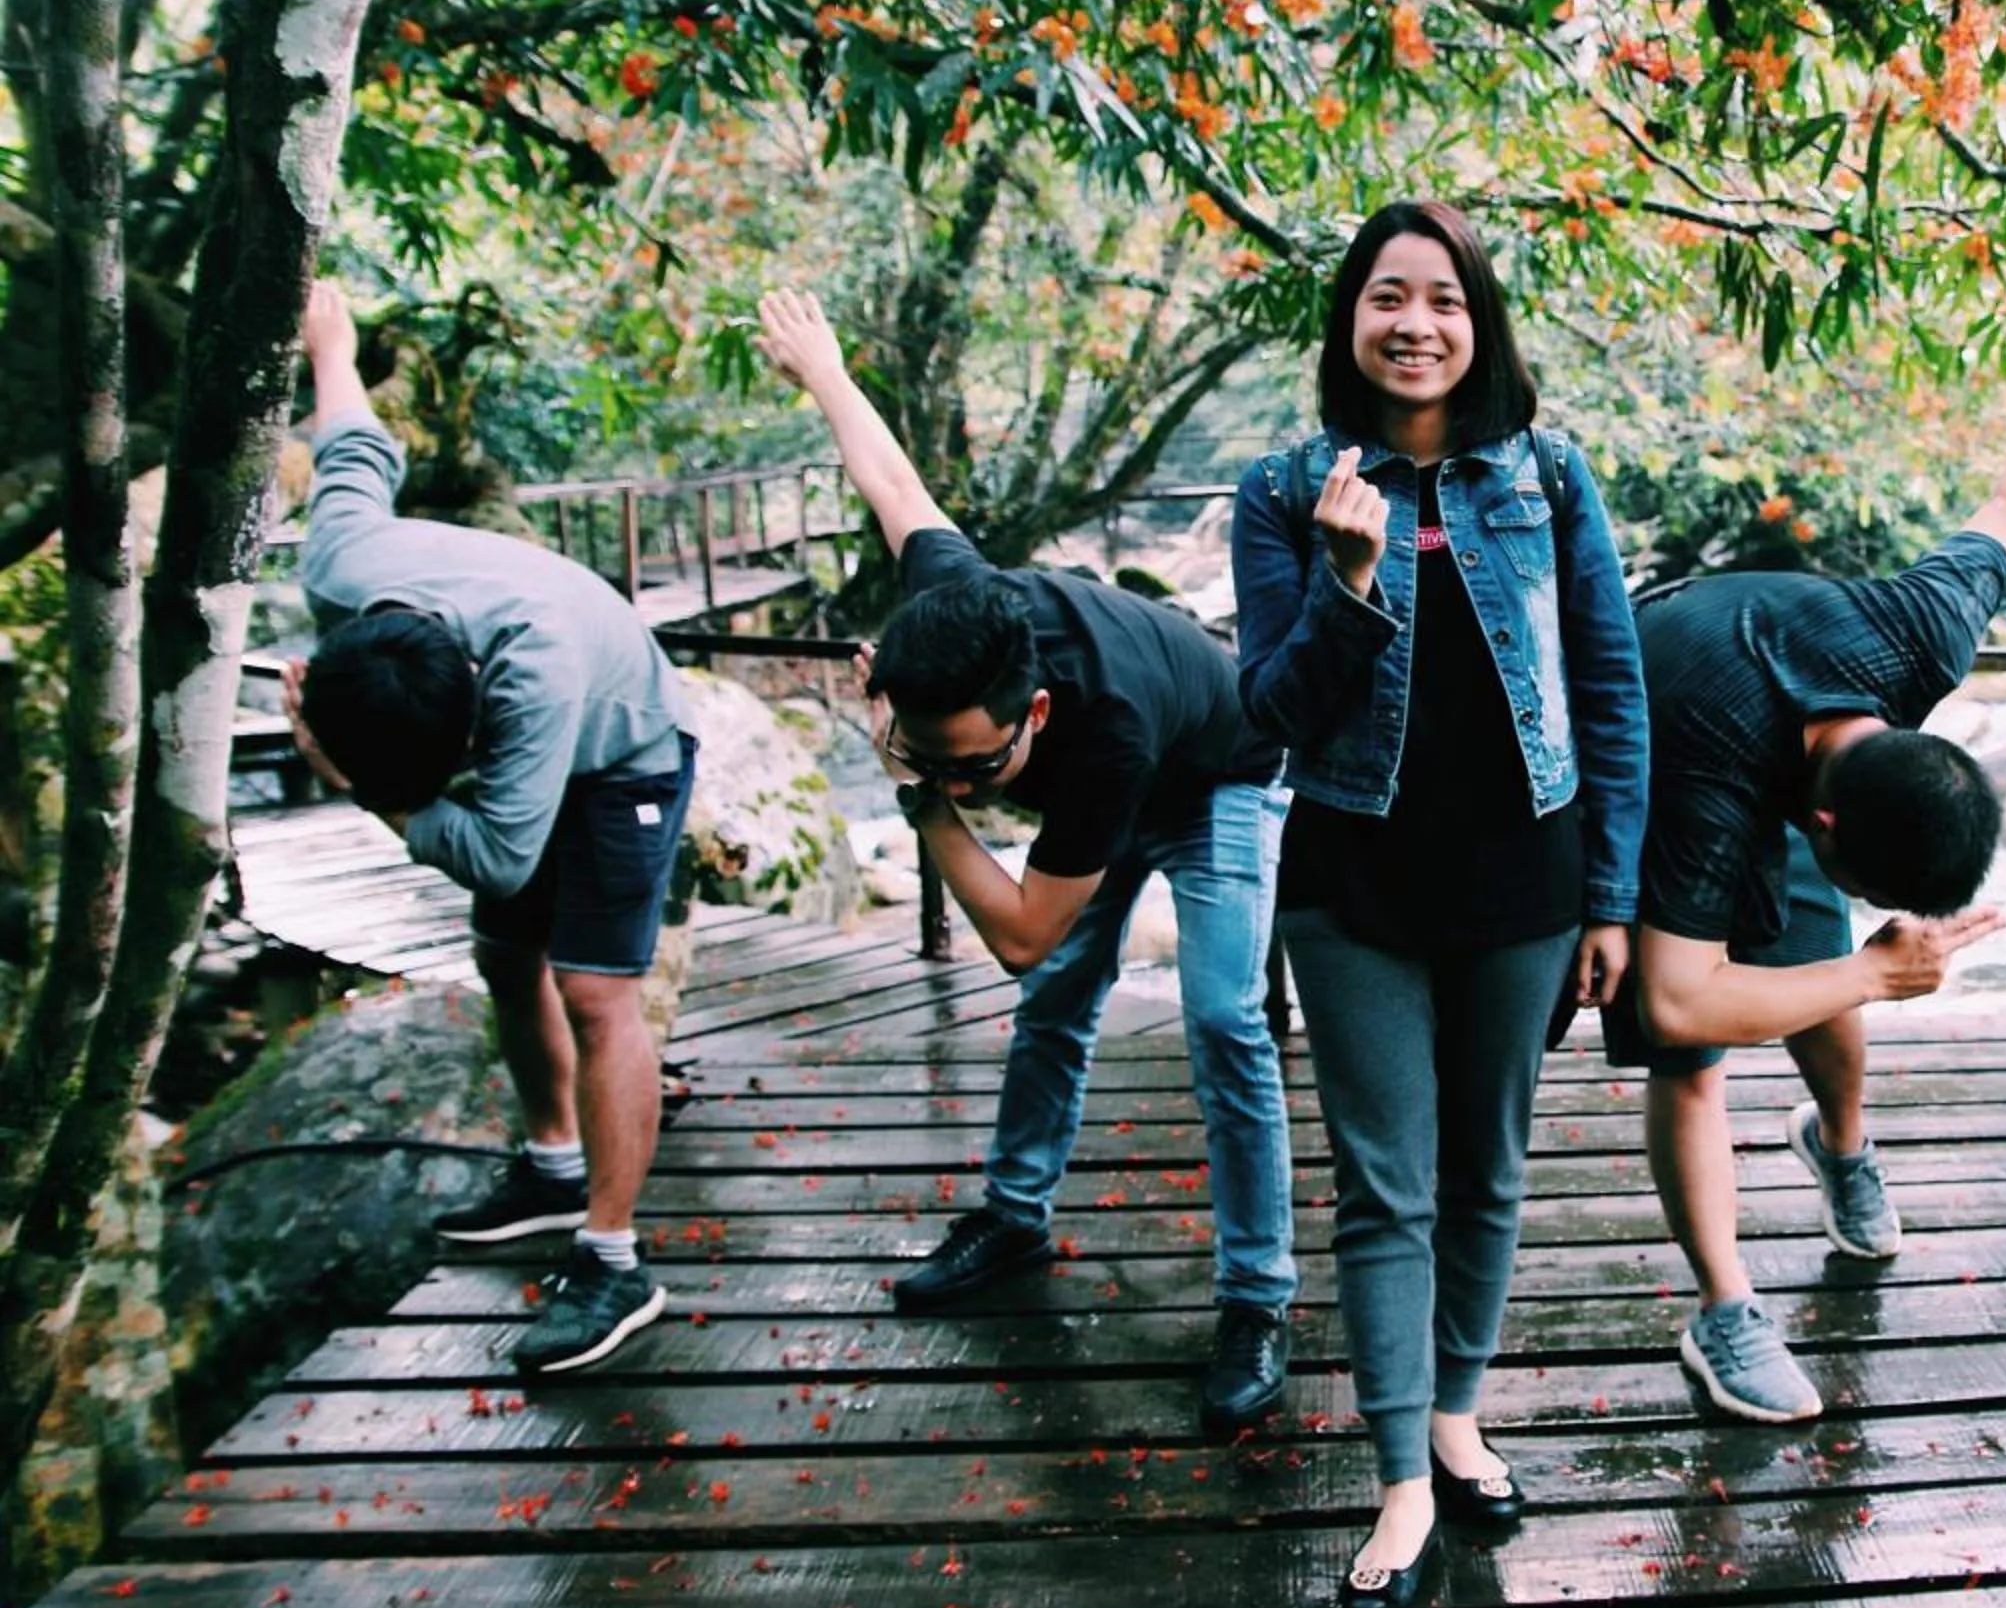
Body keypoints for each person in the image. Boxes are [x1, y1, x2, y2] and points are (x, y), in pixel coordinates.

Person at [1609, 240, 2006, 1424]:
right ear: (1819, 821)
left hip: (1776, 738)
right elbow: (1679, 1000)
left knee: (1822, 977)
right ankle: (1725, 1307)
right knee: (1688, 1049)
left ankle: (1840, 1140)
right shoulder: (1708, 782)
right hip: (1652, 734)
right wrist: (1877, 972)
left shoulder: (1915, 637)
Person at [752, 290, 1298, 1434]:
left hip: (1218, 775)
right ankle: (1015, 1211)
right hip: (1117, 777)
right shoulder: (953, 615)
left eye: (976, 765)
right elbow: (895, 487)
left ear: (1035, 712)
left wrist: (915, 795)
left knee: (1220, 1018)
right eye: (930, 753)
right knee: (1058, 1006)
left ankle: (1256, 1295)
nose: (957, 780)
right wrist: (825, 370)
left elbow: (1016, 932)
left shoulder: (1103, 730)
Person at [1231, 201, 1648, 1608]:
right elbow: (1269, 717)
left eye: (1446, 299)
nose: (1417, 323)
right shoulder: (1286, 490)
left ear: (1481, 325)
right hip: (1355, 886)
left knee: (1492, 1169)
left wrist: (1614, 895)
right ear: (1350, 322)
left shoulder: (1550, 477)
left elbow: (1609, 687)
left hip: (1527, 883)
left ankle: (1459, 1412)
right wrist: (1345, 586)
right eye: (1388, 297)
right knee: (1385, 1186)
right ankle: (1403, 1474)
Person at [286, 279, 697, 1376]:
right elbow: (356, 452)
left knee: (597, 987)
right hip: (505, 731)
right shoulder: (342, 568)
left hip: (627, 746)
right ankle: (552, 1165)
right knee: (504, 953)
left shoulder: (536, 673)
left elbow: (503, 846)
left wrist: (378, 796)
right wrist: (334, 343)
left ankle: (613, 1259)